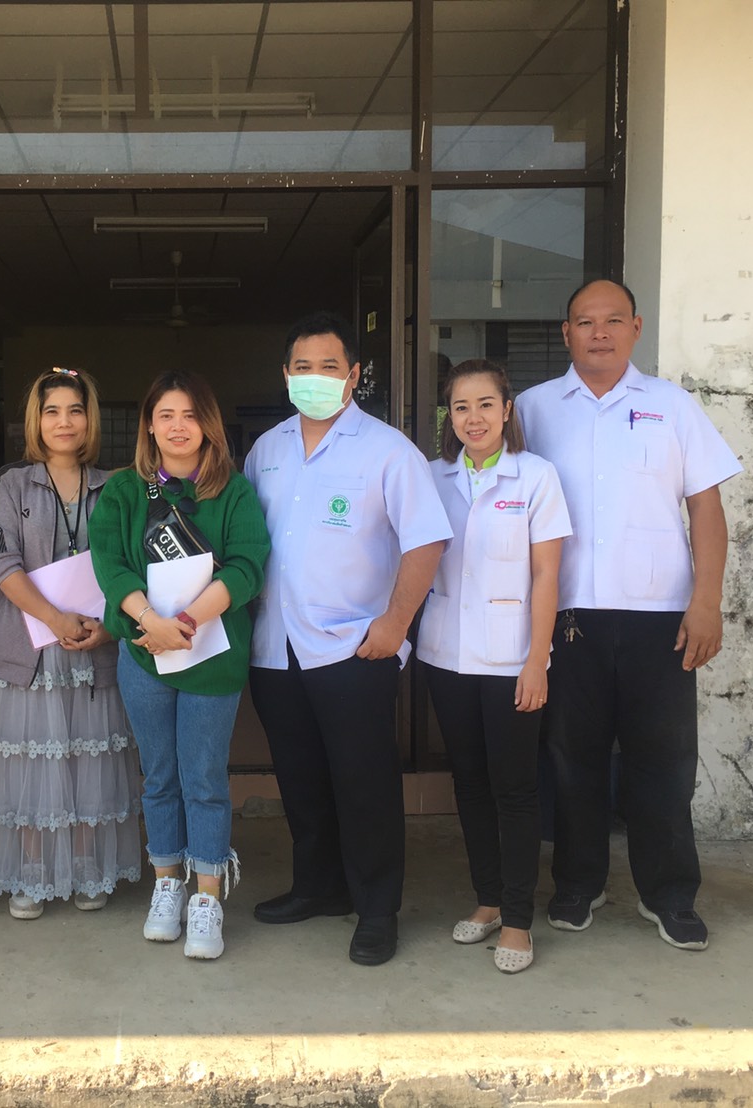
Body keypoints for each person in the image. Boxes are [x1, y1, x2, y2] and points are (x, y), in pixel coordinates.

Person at [518, 279, 741, 951]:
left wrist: (707, 601)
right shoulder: (532, 409)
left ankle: (669, 893)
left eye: (613, 320)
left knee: (663, 760)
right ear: (566, 332)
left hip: (659, 617)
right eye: (585, 322)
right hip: (569, 617)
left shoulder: (673, 406)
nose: (600, 333)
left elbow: (706, 508)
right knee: (571, 757)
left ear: (636, 328)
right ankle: (577, 883)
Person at [244, 310, 450, 967]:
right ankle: (319, 887)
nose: (315, 377)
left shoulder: (388, 451)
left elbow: (426, 541)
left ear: (353, 375)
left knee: (365, 785)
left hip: (354, 647)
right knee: (301, 780)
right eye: (302, 367)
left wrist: (394, 624)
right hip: (275, 649)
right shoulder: (265, 450)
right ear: (285, 375)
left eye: (329, 366)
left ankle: (377, 909)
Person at [90, 370, 269, 960]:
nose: (177, 427)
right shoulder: (125, 491)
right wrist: (152, 622)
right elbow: (110, 565)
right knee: (160, 776)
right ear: (149, 425)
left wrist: (186, 623)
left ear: (208, 424)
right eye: (165, 415)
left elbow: (247, 566)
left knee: (204, 778)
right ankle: (167, 885)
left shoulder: (233, 491)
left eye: (190, 415)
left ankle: (208, 897)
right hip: (145, 655)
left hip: (212, 657)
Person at [416, 359, 571, 974]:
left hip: (512, 658)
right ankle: (487, 899)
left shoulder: (535, 476)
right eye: (461, 407)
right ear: (448, 417)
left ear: (507, 410)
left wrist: (538, 661)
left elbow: (547, 575)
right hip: (446, 656)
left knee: (514, 788)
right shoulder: (433, 478)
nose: (473, 418)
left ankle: (518, 919)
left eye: (485, 405)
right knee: (470, 782)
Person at [0, 368, 142, 918]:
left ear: (90, 419)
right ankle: (32, 872)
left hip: (94, 647)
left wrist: (106, 627)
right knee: (32, 765)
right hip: (31, 652)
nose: (64, 422)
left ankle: (87, 868)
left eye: (75, 410)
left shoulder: (116, 485)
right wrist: (54, 617)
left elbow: (136, 559)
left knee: (88, 762)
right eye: (52, 411)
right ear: (36, 420)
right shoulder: (11, 483)